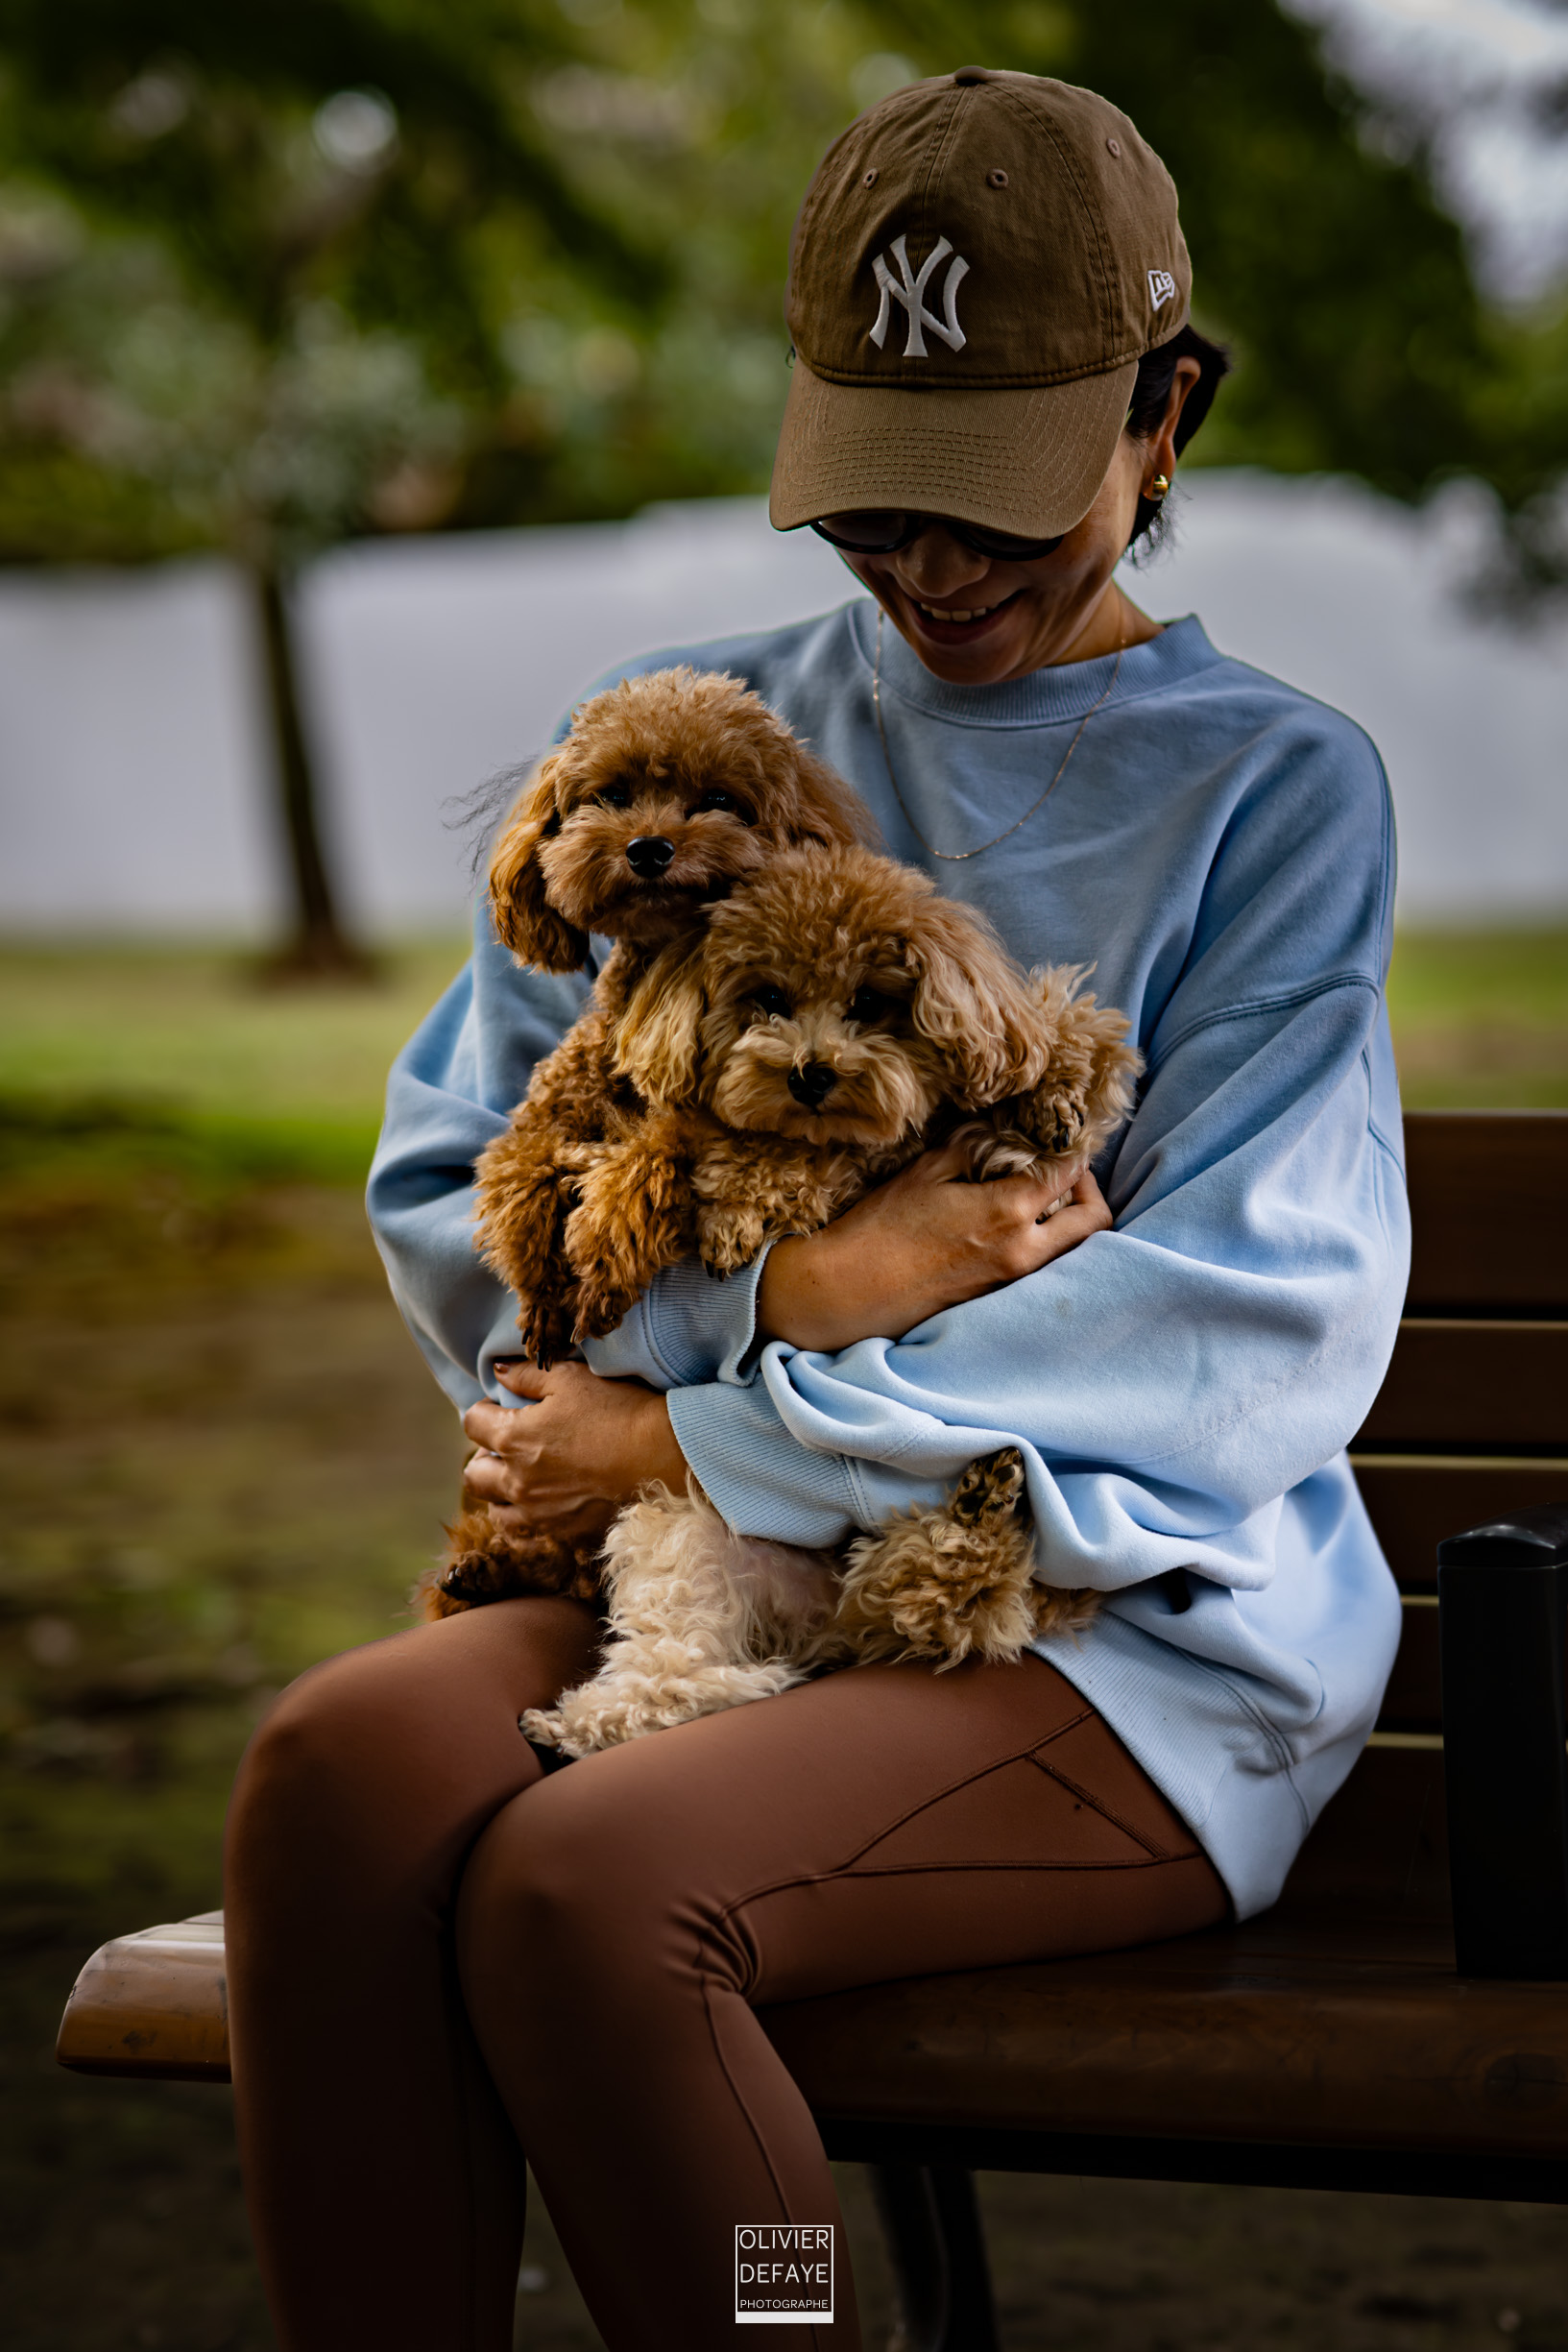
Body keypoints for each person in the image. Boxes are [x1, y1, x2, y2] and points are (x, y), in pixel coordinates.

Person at [223, 68, 1408, 2352]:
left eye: (996, 503)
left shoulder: (1272, 791)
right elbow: (452, 1183)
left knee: (592, 1889)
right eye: (877, 503)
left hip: (1114, 1631)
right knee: (331, 1781)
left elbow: (1233, 1322)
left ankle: (779, 2331)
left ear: (1166, 416)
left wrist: (692, 1430)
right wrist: (793, 1285)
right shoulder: (684, 759)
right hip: (729, 1593)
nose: (937, 568)